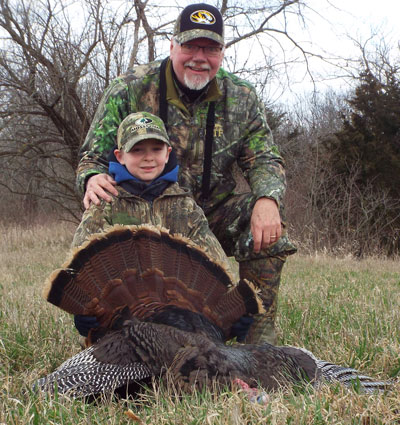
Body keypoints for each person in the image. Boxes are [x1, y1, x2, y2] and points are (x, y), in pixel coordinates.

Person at [76, 3, 297, 344]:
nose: (200, 57)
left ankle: (256, 336)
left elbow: (266, 158)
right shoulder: (130, 88)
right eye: (191, 46)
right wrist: (92, 178)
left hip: (211, 212)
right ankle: (112, 332)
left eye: (210, 48)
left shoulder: (241, 97)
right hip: (148, 210)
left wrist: (268, 199)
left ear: (222, 52)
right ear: (172, 46)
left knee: (269, 229)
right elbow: (92, 156)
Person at [73, 111, 235, 337]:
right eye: (137, 150)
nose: (148, 157)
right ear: (120, 156)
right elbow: (80, 268)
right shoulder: (106, 204)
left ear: (168, 153)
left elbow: (215, 262)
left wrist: (229, 310)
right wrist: (85, 311)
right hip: (120, 329)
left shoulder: (185, 206)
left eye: (156, 149)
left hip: (180, 325)